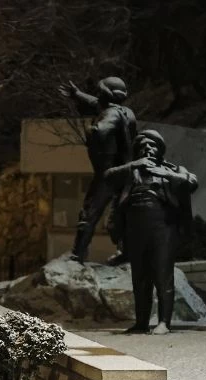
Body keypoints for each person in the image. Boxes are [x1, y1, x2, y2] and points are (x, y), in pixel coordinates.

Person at [105, 129, 198, 335]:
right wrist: (133, 165)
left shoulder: (172, 169)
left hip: (163, 226)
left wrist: (166, 174)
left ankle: (164, 322)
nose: (147, 148)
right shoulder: (132, 171)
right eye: (142, 146)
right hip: (135, 229)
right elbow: (107, 176)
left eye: (152, 145)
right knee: (139, 278)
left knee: (162, 274)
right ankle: (141, 322)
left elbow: (192, 182)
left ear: (160, 149)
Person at [58, 76, 138, 263]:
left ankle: (78, 254)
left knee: (89, 213)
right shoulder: (127, 112)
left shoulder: (111, 114)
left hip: (108, 174)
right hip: (125, 173)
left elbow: (100, 131)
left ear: (105, 95)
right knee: (121, 215)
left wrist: (89, 130)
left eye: (100, 92)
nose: (97, 96)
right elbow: (96, 103)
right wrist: (77, 95)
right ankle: (125, 253)